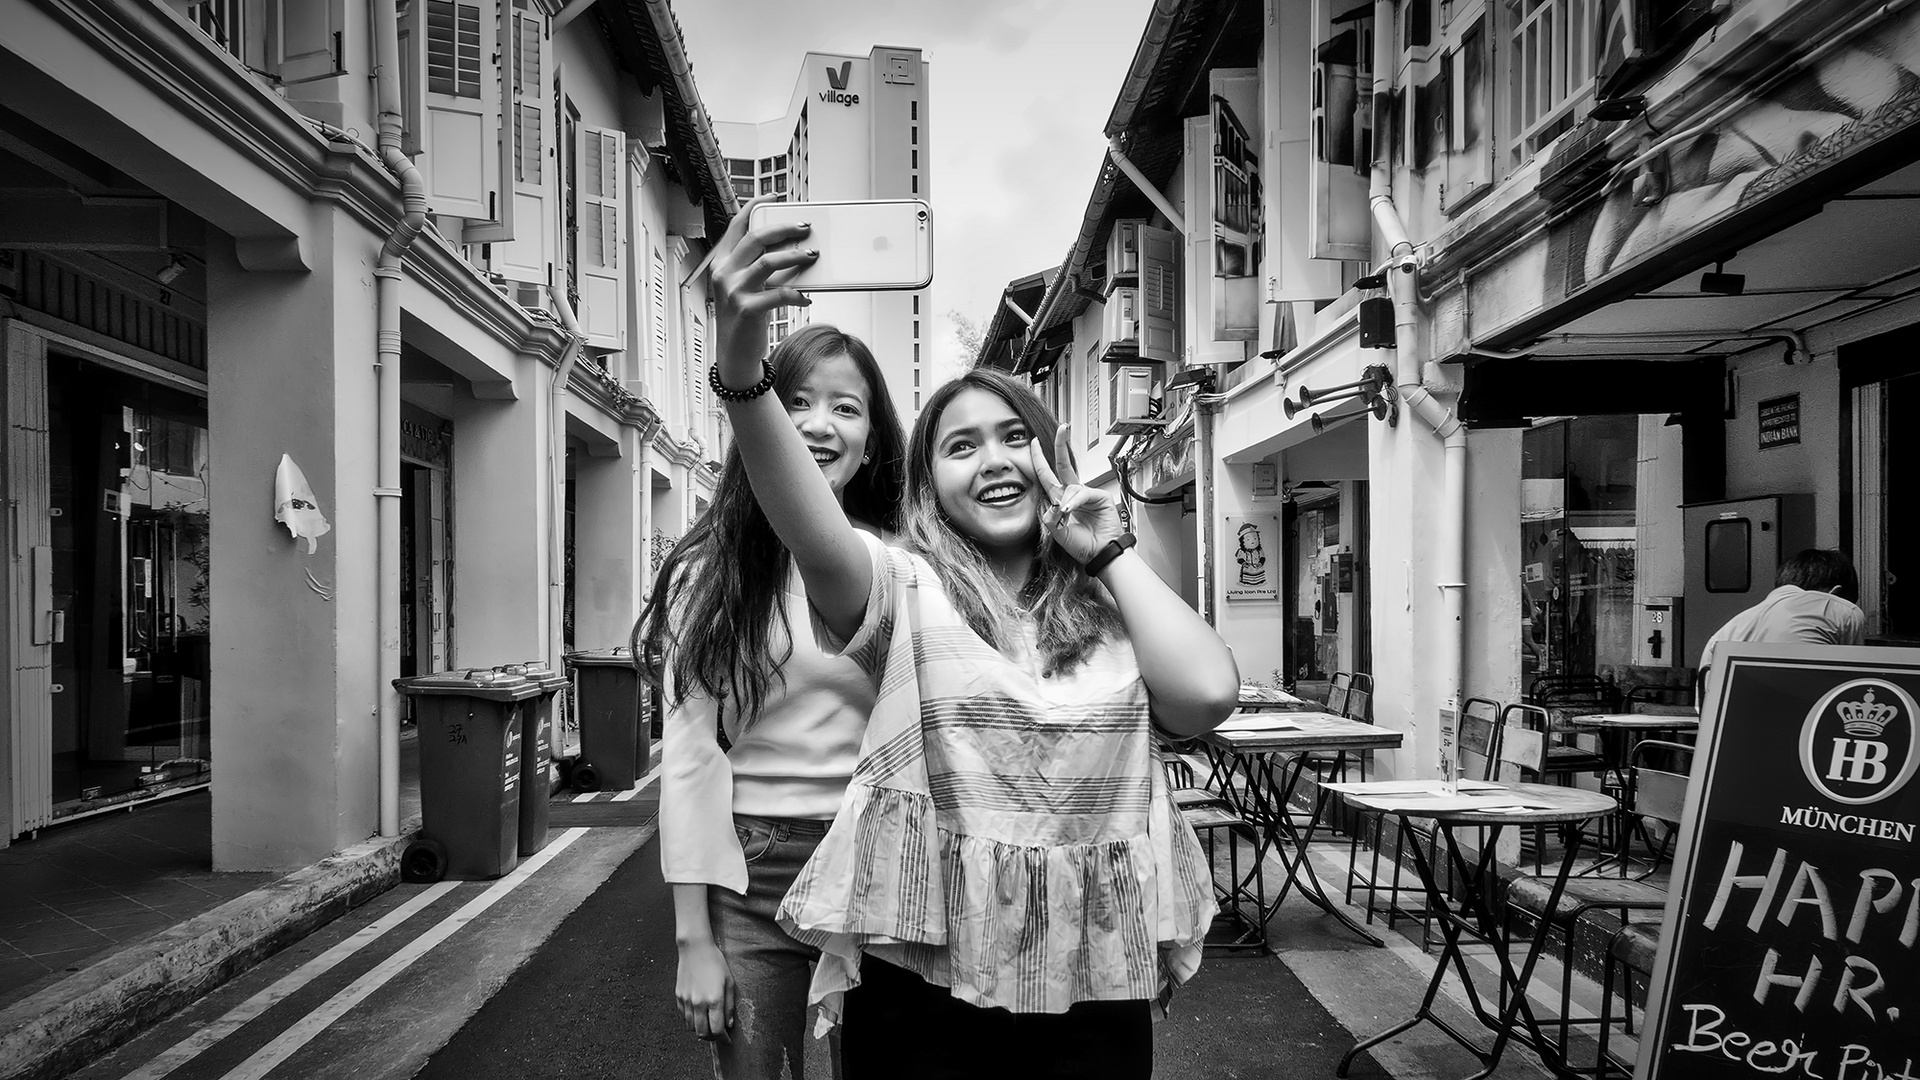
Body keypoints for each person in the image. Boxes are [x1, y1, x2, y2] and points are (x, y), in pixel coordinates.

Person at [705, 197, 1239, 1079]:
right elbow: (809, 526)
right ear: (927, 484)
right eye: (960, 447)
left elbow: (1207, 695)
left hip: (1092, 979)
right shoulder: (900, 586)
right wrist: (741, 364)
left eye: (1014, 438)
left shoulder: (1112, 602)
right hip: (921, 984)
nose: (993, 460)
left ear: (1052, 455)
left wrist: (1102, 546)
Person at [640, 322, 907, 1079]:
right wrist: (694, 939)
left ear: (873, 440)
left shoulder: (903, 566)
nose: (820, 425)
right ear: (762, 417)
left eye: (846, 408)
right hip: (752, 875)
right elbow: (691, 758)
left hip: (880, 865)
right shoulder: (712, 573)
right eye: (796, 400)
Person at [1697, 548, 1867, 699]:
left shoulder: (1725, 631)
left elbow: (1703, 706)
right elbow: (1853, 687)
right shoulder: (1841, 609)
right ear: (1836, 593)